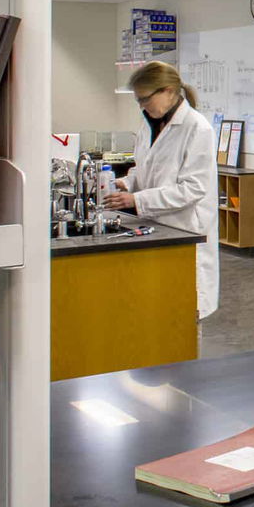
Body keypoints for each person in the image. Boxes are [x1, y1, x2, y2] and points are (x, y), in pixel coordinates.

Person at [101, 61, 220, 319]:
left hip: (185, 229)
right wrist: (128, 183)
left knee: (183, 312)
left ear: (168, 91)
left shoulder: (198, 129)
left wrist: (136, 198)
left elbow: (192, 189)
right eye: (138, 100)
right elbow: (143, 167)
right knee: (158, 310)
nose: (142, 106)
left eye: (145, 99)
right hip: (157, 226)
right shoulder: (150, 125)